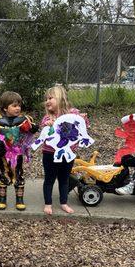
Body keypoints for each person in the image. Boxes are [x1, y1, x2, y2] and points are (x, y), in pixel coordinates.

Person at [0, 91, 38, 211]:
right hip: (2, 154)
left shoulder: (24, 120)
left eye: (19, 105)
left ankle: (19, 200)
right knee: (2, 174)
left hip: (17, 153)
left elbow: (35, 128)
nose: (18, 108)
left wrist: (29, 128)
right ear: (5, 108)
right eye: (14, 106)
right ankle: (2, 199)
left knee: (18, 175)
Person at [40, 85, 86, 215]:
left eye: (51, 98)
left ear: (60, 98)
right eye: (46, 99)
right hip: (50, 154)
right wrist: (48, 124)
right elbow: (44, 126)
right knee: (49, 179)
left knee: (64, 179)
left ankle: (64, 203)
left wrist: (83, 118)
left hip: (68, 153)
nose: (47, 101)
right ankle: (48, 204)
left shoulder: (73, 114)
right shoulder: (48, 117)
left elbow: (82, 126)